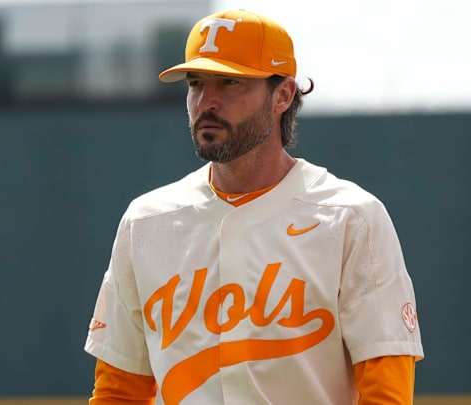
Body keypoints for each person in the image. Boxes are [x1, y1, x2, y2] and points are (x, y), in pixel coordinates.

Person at [84, 8, 424, 405]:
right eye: (196, 83)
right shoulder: (146, 222)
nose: (206, 101)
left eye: (229, 82)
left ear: (282, 95)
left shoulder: (350, 217)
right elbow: (119, 391)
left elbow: (386, 393)